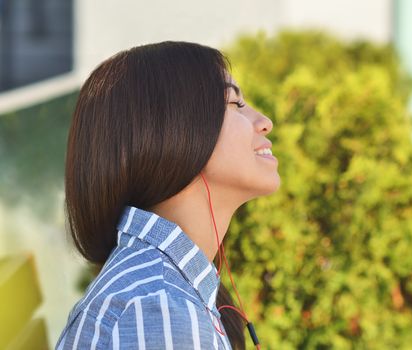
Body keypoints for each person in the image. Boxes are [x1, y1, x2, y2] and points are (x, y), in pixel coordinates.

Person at [55, 41, 280, 350]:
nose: (265, 122)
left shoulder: (165, 294)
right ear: (174, 130)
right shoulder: (157, 307)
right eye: (233, 103)